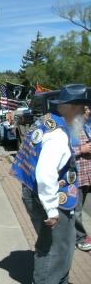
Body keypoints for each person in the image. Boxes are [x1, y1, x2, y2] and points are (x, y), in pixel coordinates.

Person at [11, 84, 91, 284]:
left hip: (35, 192)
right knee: (56, 250)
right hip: (51, 198)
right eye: (85, 108)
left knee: (53, 245)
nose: (88, 112)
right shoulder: (58, 134)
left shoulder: (48, 120)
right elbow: (46, 173)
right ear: (72, 107)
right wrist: (52, 209)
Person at [72, 104, 91, 252]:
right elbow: (61, 151)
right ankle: (80, 238)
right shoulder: (70, 128)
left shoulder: (87, 126)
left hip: (86, 175)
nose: (89, 112)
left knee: (79, 207)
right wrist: (81, 149)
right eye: (86, 109)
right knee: (76, 210)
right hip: (75, 176)